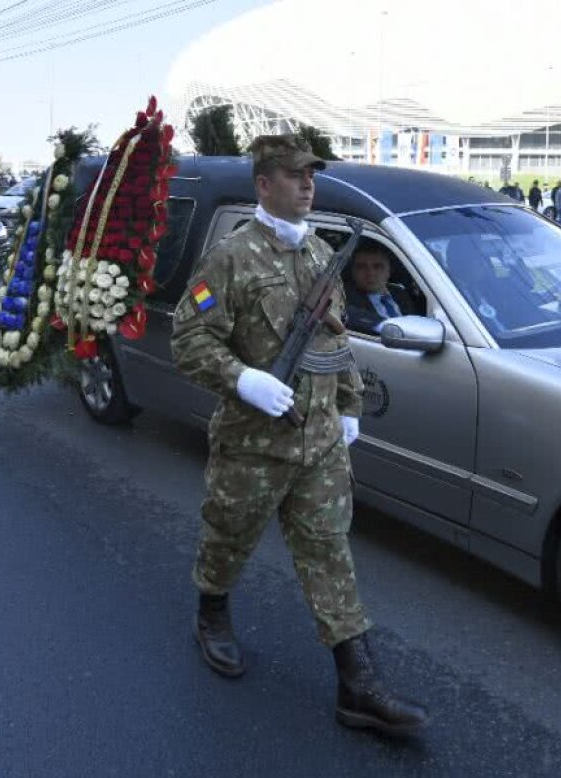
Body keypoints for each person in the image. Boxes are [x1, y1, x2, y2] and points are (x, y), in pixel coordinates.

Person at [170, 134, 428, 736]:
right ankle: (211, 613)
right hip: (253, 443)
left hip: (320, 442)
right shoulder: (230, 258)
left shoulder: (320, 253)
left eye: (311, 174)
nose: (308, 184)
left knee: (329, 551)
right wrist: (242, 380)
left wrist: (349, 404)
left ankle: (357, 684)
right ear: (264, 184)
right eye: (294, 175)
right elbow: (189, 339)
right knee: (229, 536)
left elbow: (335, 338)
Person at [344, 241, 418, 333]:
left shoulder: (400, 293)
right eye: (362, 267)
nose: (370, 273)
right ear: (353, 271)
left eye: (377, 267)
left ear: (389, 270)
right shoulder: (346, 297)